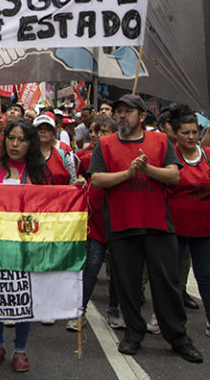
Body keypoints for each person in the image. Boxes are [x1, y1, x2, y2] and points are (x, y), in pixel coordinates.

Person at [89, 94, 203, 363]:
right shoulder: (105, 144)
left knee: (167, 284)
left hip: (157, 225)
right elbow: (97, 179)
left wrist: (147, 168)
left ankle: (178, 336)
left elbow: (174, 175)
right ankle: (133, 334)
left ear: (142, 116)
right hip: (121, 225)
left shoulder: (161, 141)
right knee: (127, 284)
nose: (121, 116)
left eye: (128, 111)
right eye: (118, 111)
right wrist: (128, 174)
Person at [0, 119, 52, 373]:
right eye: (11, 138)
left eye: (22, 140)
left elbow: (50, 204)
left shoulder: (39, 170)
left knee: (22, 296)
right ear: (4, 139)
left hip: (26, 245)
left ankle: (21, 349)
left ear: (31, 143)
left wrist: (76, 190)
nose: (15, 144)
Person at [66, 116, 122, 331]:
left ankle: (114, 309)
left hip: (118, 221)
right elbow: (79, 181)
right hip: (95, 223)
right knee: (91, 267)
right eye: (95, 131)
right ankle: (79, 311)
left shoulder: (123, 158)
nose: (98, 135)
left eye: (104, 131)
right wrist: (80, 183)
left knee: (117, 269)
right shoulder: (86, 159)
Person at [167, 105, 210, 337]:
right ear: (176, 134)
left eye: (195, 132)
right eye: (186, 133)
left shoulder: (208, 156)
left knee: (206, 276)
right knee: (172, 278)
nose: (192, 137)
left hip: (204, 229)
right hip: (175, 228)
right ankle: (168, 319)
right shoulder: (169, 157)